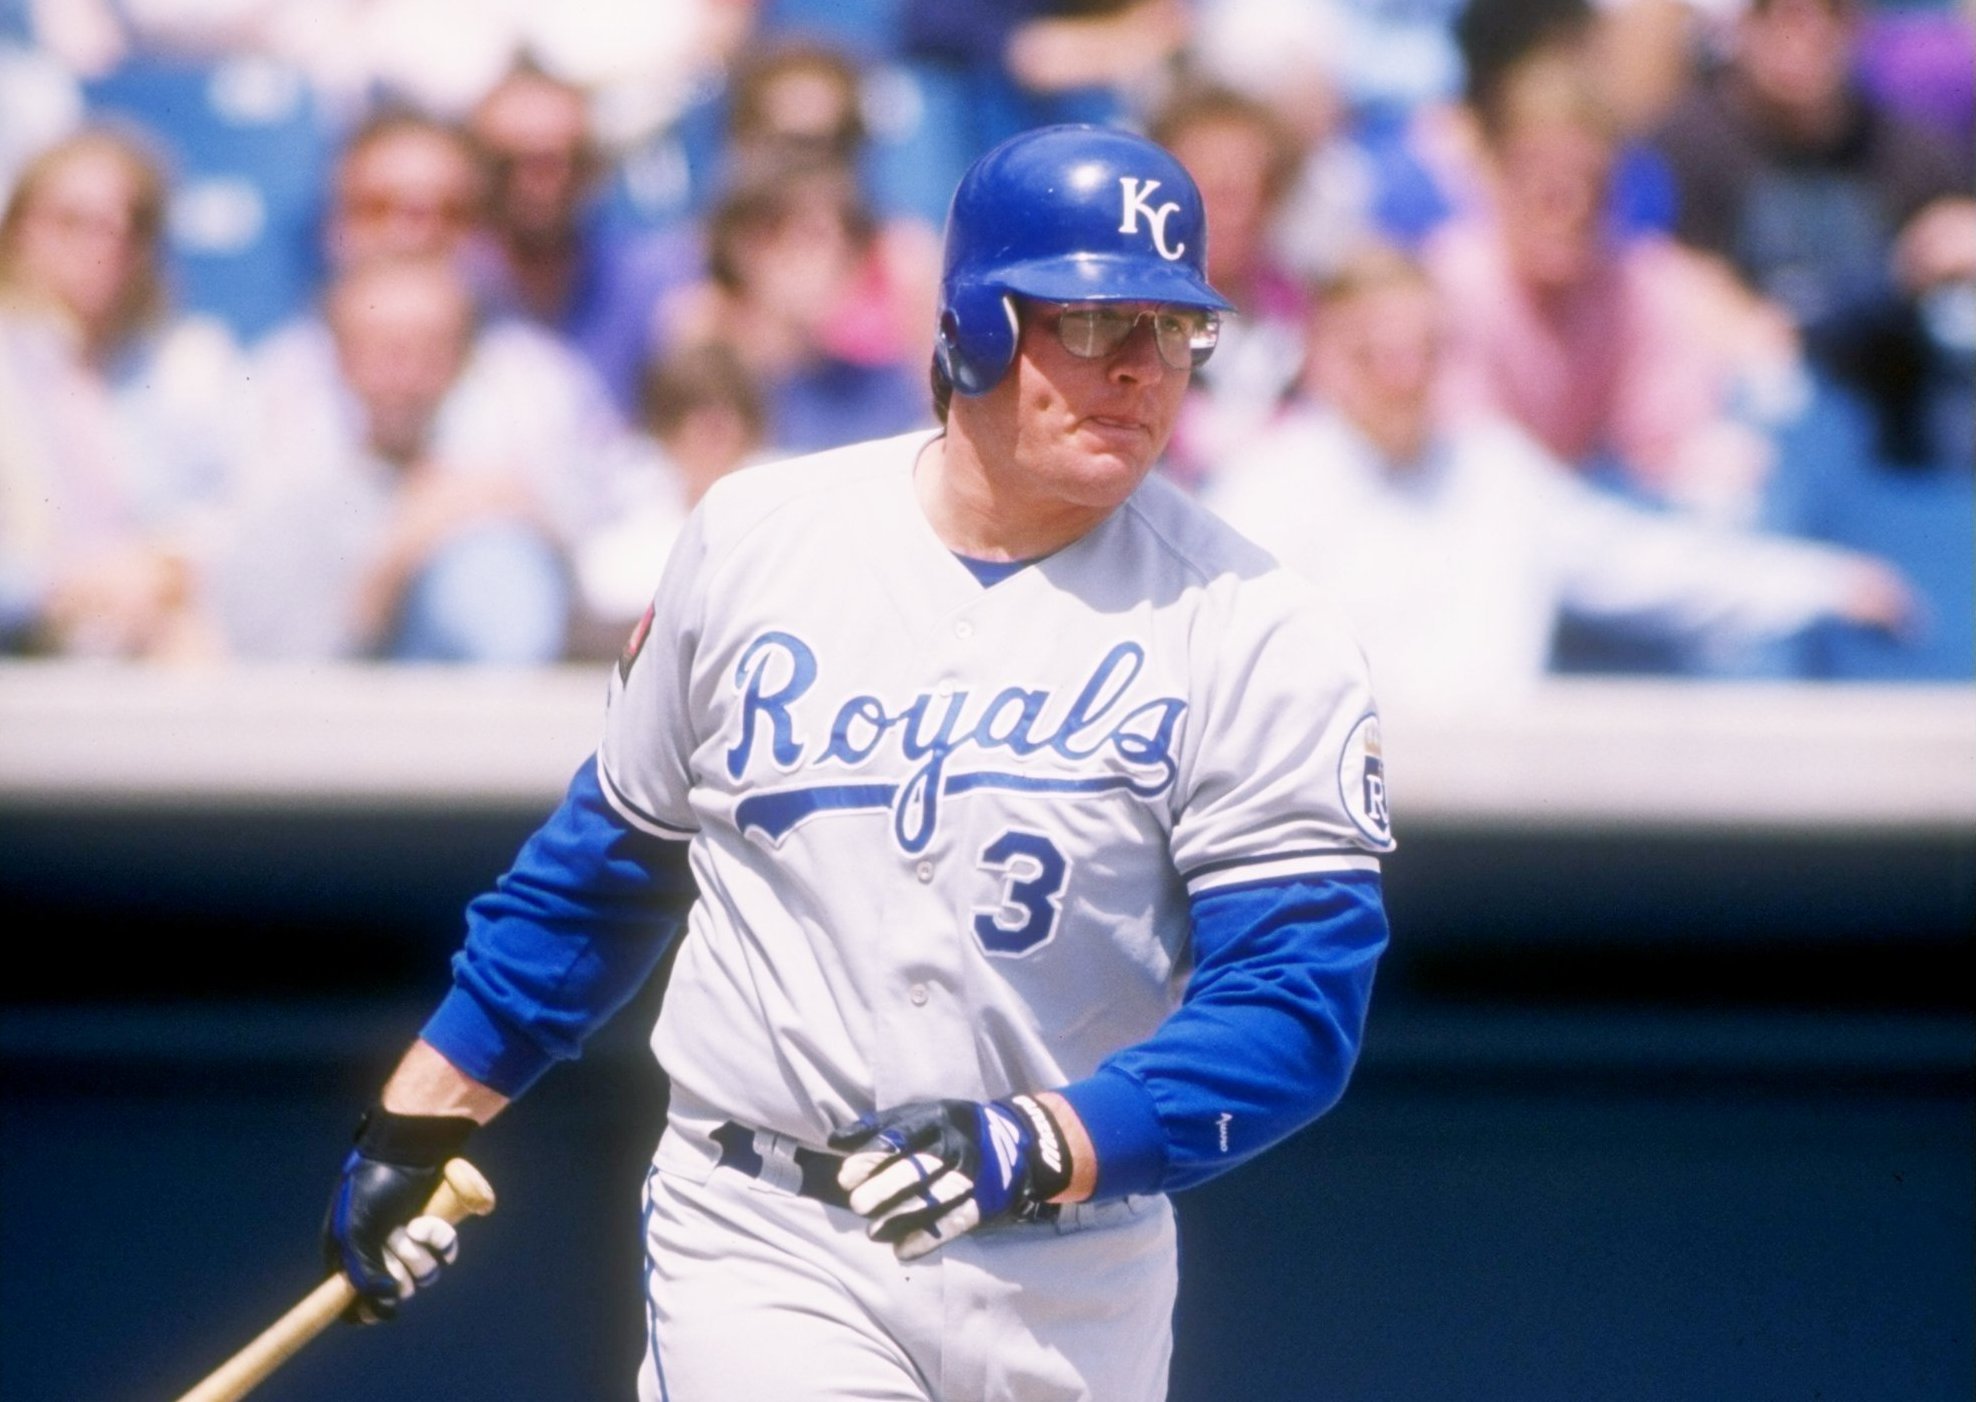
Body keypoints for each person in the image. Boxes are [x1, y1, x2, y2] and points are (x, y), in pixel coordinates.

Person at [317, 124, 1392, 1402]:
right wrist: (425, 1112)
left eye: (1174, 332)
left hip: (1073, 1265)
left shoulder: (1257, 623)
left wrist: (1046, 1139)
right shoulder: (760, 539)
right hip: (770, 1224)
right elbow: (610, 869)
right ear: (981, 327)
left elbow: (1293, 1004)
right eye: (1099, 326)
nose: (1144, 372)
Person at [1203, 246, 1913, 710]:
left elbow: (1644, 564)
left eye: (1423, 351)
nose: (1403, 376)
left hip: (1501, 806)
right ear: (1323, 354)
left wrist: (1823, 584)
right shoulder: (1263, 488)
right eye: (1375, 353)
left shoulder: (1493, 468)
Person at [214, 254, 576, 662]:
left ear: (463, 362)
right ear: (342, 358)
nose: (407, 374)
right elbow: (283, 676)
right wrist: (398, 554)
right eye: (386, 350)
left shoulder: (500, 482)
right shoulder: (290, 503)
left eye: (431, 349)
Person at [0, 127, 241, 659]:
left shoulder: (186, 363)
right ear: (18, 230)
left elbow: (228, 509)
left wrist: (168, 568)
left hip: (145, 637)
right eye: (72, 222)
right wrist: (61, 586)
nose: (103, 245)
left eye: (129, 226)